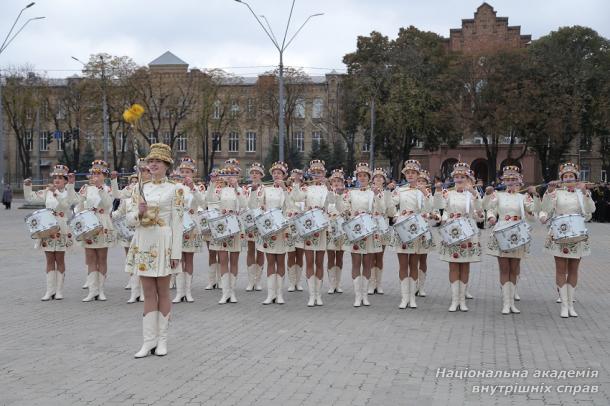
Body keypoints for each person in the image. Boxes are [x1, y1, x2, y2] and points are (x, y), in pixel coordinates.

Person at [125, 143, 183, 358]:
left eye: (158, 161)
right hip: (144, 241)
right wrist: (138, 213)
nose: (153, 164)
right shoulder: (140, 187)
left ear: (167, 164)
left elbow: (177, 222)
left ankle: (162, 341)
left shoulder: (175, 189)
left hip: (164, 242)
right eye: (150, 161)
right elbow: (130, 220)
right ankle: (148, 341)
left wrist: (176, 253)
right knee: (148, 292)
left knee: (163, 291)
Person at [539, 162, 595, 318]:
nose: (569, 178)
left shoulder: (581, 193)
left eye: (571, 176)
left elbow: (590, 211)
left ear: (576, 178)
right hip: (560, 233)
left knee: (574, 269)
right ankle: (564, 305)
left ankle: (571, 304)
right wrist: (549, 191)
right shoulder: (556, 193)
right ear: (561, 179)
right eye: (566, 176)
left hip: (577, 234)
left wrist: (585, 194)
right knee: (560, 269)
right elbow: (546, 209)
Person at [483, 166, 539, 314]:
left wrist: (536, 195)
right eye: (508, 179)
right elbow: (489, 208)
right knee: (504, 268)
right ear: (503, 181)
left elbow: (533, 211)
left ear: (519, 180)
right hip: (501, 231)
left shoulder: (523, 197)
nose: (511, 182)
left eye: (514, 179)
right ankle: (505, 303)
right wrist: (491, 217)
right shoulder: (498, 195)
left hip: (517, 234)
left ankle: (512, 302)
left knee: (514, 269)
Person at [23, 165, 78, 300]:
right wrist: (27, 186)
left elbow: (66, 205)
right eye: (55, 177)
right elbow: (30, 198)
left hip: (61, 226)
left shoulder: (68, 191)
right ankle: (49, 290)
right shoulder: (47, 191)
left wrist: (56, 193)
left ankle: (59, 291)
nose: (57, 180)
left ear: (65, 180)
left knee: (59, 258)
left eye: (60, 178)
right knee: (49, 259)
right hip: (47, 227)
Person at [434, 162, 483, 312]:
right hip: (452, 231)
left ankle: (462, 300)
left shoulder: (472, 194)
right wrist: (437, 192)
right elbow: (440, 207)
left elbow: (480, 212)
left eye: (463, 176)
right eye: (457, 177)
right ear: (453, 178)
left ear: (468, 179)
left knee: (465, 266)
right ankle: (455, 300)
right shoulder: (448, 193)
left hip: (467, 231)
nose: (460, 179)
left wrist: (475, 194)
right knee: (453, 265)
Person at [335, 162, 387, 307]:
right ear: (357, 177)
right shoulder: (351, 192)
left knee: (368, 263)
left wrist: (378, 196)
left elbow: (382, 209)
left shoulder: (374, 192)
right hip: (356, 230)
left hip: (370, 230)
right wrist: (339, 197)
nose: (362, 178)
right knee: (356, 262)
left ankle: (365, 295)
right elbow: (343, 211)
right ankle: (358, 296)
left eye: (365, 175)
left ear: (369, 177)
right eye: (360, 175)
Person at [390, 160, 432, 309]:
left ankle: (412, 298)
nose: (410, 175)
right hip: (402, 227)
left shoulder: (423, 191)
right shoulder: (400, 190)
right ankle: (404, 297)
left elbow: (430, 209)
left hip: (416, 228)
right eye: (407, 173)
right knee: (403, 264)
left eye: (413, 173)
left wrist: (426, 193)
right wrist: (384, 193)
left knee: (414, 263)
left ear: (418, 174)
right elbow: (389, 205)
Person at [250, 161, 291, 305]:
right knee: (270, 261)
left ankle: (279, 294)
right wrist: (255, 194)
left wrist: (285, 189)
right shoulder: (265, 188)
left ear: (284, 175)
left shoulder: (287, 189)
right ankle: (270, 294)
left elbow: (291, 207)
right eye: (274, 173)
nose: (276, 175)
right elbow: (254, 205)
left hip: (281, 228)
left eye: (279, 173)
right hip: (268, 227)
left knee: (280, 260)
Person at [291, 160, 331, 307]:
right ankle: (311, 295)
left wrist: (329, 186)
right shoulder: (306, 188)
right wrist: (296, 182)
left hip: (321, 226)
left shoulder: (327, 188)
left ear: (324, 173)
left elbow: (333, 202)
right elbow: (296, 198)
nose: (317, 175)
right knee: (309, 261)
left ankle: (318, 295)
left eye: (319, 172)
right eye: (314, 173)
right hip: (308, 226)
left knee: (319, 261)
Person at [206, 159, 246, 304]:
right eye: (228, 173)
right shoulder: (219, 189)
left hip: (235, 226)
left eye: (233, 174)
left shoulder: (241, 189)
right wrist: (212, 183)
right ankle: (225, 292)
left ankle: (232, 292)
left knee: (234, 260)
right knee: (223, 259)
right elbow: (209, 200)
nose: (230, 177)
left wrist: (236, 187)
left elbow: (244, 205)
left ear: (238, 175)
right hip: (221, 226)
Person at [78, 160, 115, 302]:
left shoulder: (107, 189)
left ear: (104, 175)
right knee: (91, 257)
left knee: (102, 257)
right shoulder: (85, 189)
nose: (95, 176)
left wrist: (100, 189)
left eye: (98, 173)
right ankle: (92, 290)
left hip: (102, 223)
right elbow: (80, 207)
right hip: (88, 223)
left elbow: (107, 205)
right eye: (93, 173)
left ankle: (101, 290)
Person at [173, 157, 206, 304]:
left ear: (193, 173)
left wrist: (193, 188)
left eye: (188, 172)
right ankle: (179, 292)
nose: (185, 174)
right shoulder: (174, 187)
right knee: (178, 258)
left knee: (189, 258)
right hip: (179, 225)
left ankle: (188, 291)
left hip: (191, 226)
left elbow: (203, 204)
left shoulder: (197, 188)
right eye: (183, 171)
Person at [243, 163, 266, 291]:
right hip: (250, 222)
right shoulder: (246, 188)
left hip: (262, 221)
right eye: (252, 173)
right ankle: (251, 280)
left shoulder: (266, 188)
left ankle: (258, 280)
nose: (254, 175)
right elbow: (244, 204)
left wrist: (265, 207)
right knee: (251, 249)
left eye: (257, 173)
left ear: (261, 175)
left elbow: (267, 202)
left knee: (261, 250)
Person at [415, 169, 437, 298]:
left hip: (423, 228)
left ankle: (421, 286)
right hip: (411, 227)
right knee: (412, 258)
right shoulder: (410, 192)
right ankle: (413, 285)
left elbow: (433, 209)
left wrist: (431, 215)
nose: (420, 183)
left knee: (423, 258)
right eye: (419, 181)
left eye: (423, 181)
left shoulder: (428, 195)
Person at [326, 169, 346, 294]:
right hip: (330, 227)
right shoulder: (328, 194)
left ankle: (338, 283)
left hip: (341, 227)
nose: (336, 183)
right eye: (334, 181)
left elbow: (346, 209)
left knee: (340, 256)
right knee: (330, 256)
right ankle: (331, 283)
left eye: (339, 181)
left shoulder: (347, 194)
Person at [286, 169, 305, 292]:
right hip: (289, 224)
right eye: (292, 179)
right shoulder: (285, 190)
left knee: (300, 253)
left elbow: (299, 199)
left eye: (297, 178)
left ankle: (298, 282)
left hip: (301, 223)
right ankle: (292, 282)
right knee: (290, 253)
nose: (294, 180)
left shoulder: (304, 191)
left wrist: (297, 185)